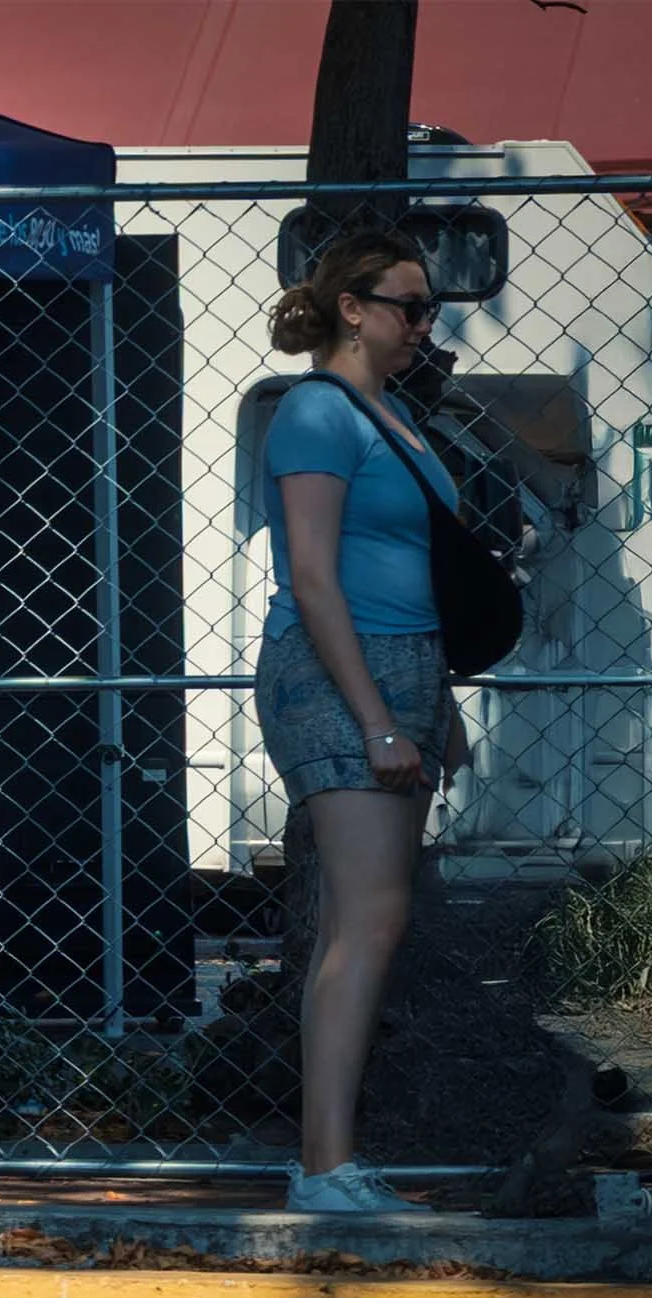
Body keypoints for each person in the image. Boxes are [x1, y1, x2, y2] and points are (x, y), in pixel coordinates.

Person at [256, 230, 462, 1212]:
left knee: (360, 917)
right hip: (339, 672)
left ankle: (327, 1161)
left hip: (405, 667)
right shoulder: (316, 411)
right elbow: (311, 575)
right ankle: (326, 1165)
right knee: (370, 917)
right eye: (409, 306)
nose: (424, 324)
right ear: (351, 307)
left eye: (429, 309)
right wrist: (377, 717)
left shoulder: (391, 412)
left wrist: (435, 704)